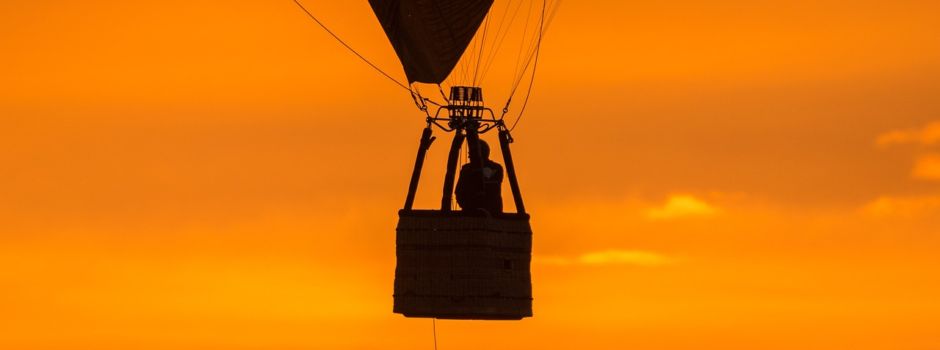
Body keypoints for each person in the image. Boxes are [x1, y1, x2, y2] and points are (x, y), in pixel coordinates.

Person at [456, 139, 503, 214]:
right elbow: (459, 191)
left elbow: (489, 183)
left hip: (492, 212)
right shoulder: (466, 169)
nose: (469, 156)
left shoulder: (495, 168)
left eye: (471, 153)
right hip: (469, 210)